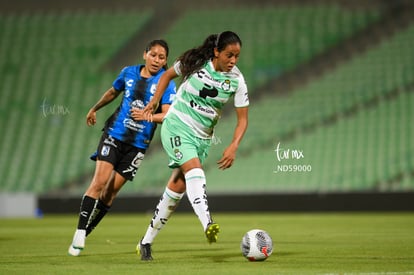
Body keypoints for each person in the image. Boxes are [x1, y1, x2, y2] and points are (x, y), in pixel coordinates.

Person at [137, 31, 249, 261]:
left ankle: (145, 241)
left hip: (202, 138)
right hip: (176, 125)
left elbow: (243, 119)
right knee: (195, 171)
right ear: (217, 52)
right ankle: (208, 223)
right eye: (229, 55)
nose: (233, 61)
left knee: (177, 189)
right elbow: (167, 76)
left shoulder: (237, 80)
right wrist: (155, 101)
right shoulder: (195, 62)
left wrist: (233, 145)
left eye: (237, 56)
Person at [68, 39, 176, 256]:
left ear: (166, 61)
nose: (157, 60)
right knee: (98, 182)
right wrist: (94, 108)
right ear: (144, 54)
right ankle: (79, 232)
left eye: (162, 57)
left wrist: (149, 116)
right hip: (114, 135)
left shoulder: (166, 83)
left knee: (110, 193)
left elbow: (168, 114)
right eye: (153, 55)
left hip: (138, 145)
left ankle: (87, 231)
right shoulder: (128, 73)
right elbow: (112, 92)